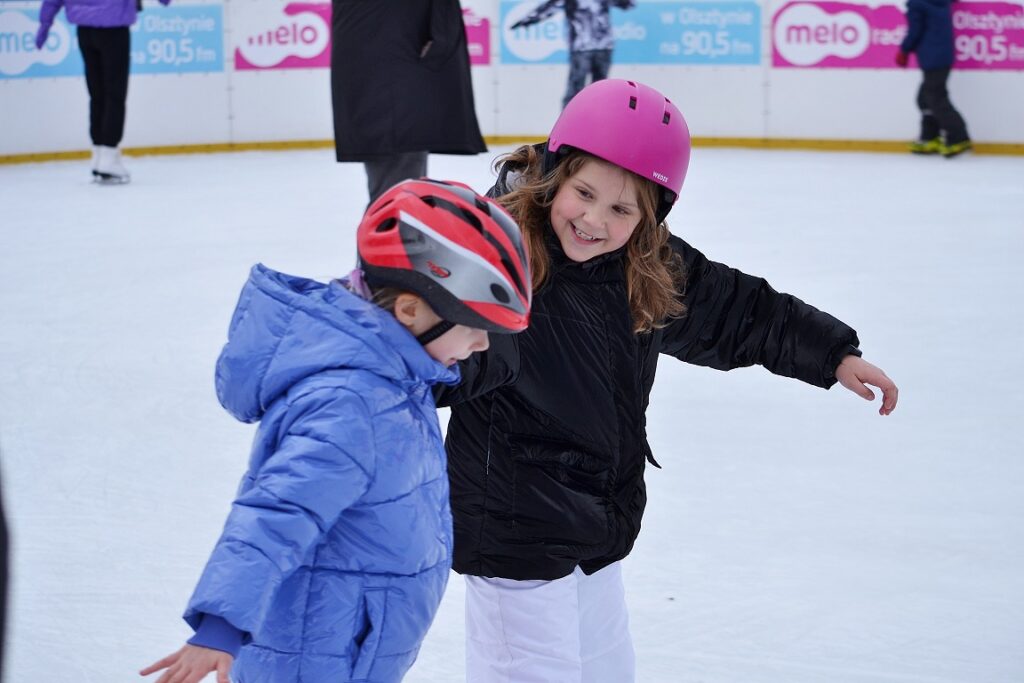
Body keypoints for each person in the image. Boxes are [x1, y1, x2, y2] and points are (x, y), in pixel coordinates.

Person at [434, 79, 899, 683]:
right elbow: (426, 342)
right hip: (513, 528)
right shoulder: (496, 255)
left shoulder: (648, 266)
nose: (594, 219)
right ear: (553, 173)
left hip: (597, 525)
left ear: (651, 216)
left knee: (607, 670)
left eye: (621, 209)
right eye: (583, 193)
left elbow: (741, 312)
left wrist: (832, 354)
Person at [140, 179, 531, 683]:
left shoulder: (394, 373)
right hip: (313, 654)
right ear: (410, 311)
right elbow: (277, 513)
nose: (481, 344)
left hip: (346, 644)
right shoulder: (351, 403)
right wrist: (220, 624)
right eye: (474, 324)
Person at [331, 1, 487, 204]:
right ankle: (400, 233)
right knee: (400, 199)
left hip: (390, 90)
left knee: (401, 192)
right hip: (394, 94)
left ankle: (401, 230)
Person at [35, 0, 171, 184]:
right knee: (114, 94)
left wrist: (45, 22)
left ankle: (98, 155)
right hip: (113, 27)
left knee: (97, 94)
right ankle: (108, 155)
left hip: (86, 31)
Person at [510, 0, 635, 109]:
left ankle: (598, 124)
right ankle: (567, 127)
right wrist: (526, 20)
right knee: (575, 90)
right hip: (581, 48)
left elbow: (628, 4)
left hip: (604, 46)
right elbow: (547, 9)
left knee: (600, 91)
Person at [896, 0, 971, 158]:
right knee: (924, 98)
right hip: (942, 56)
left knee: (935, 98)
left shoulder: (917, 4)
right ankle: (930, 136)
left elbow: (915, 30)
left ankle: (959, 136)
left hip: (932, 57)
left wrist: (904, 50)